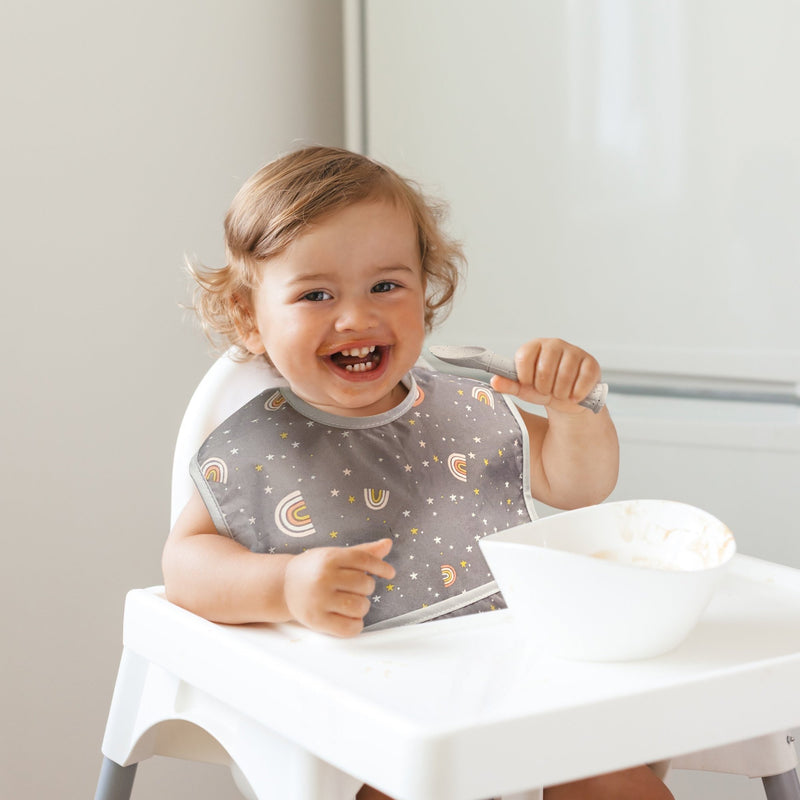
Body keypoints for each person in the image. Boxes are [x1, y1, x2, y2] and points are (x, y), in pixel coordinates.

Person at [162, 146, 673, 800]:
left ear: (426, 294)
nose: (356, 316)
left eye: (386, 285)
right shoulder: (257, 446)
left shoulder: (466, 408)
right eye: (315, 294)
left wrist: (578, 411)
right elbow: (185, 566)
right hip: (364, 722)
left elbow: (577, 485)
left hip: (518, 688)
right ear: (247, 317)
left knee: (618, 782)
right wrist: (286, 584)